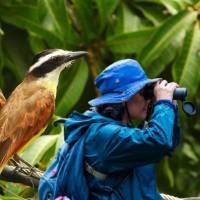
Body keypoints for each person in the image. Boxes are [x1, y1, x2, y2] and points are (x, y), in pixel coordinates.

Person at [40, 59, 180, 200]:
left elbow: (166, 146)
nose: (149, 99)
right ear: (124, 97)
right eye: (145, 93)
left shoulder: (118, 130)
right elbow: (159, 141)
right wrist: (163, 103)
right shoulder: (103, 135)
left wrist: (170, 107)